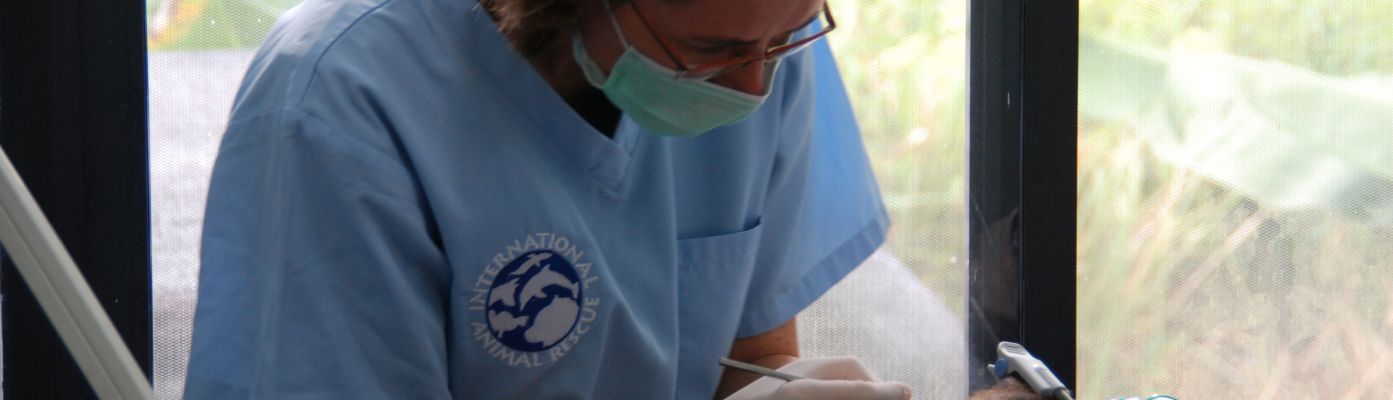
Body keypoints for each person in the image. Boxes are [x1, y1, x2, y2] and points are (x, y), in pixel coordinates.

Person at [183, 0, 908, 397]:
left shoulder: (757, 37)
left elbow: (748, 354)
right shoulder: (344, 100)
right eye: (710, 52)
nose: (753, 89)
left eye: (785, 37)